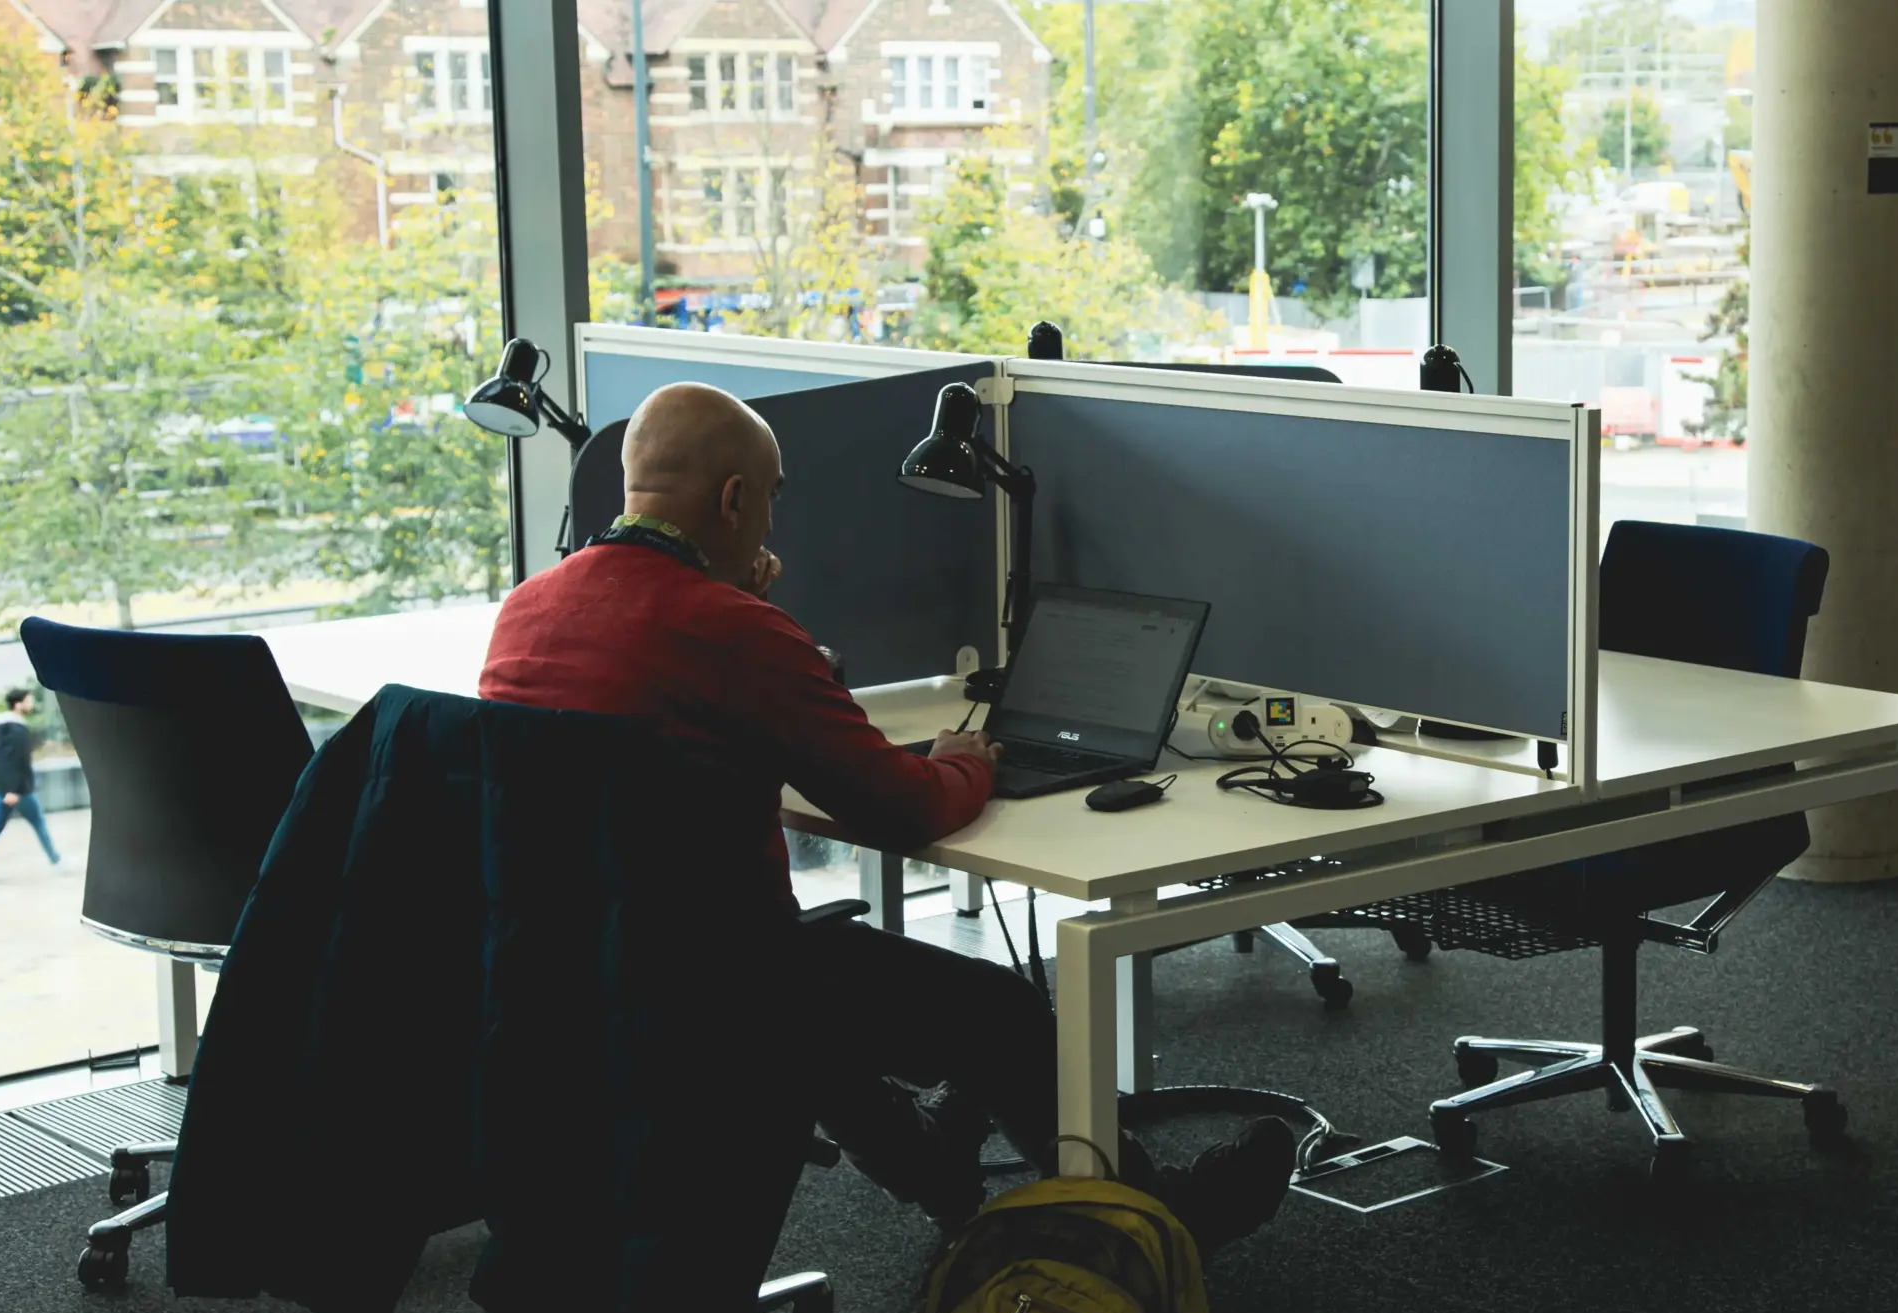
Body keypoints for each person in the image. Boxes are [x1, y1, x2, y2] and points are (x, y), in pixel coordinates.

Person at [478, 382, 1293, 1251]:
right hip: (717, 982)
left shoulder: (528, 609)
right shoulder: (727, 626)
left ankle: (931, 1159)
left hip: (561, 974)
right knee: (994, 1008)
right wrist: (963, 760)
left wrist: (758, 635)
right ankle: (1155, 1219)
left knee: (816, 974)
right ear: (735, 500)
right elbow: (904, 811)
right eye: (773, 498)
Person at [0, 687, 61, 883]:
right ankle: (56, 861)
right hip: (18, 790)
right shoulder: (16, 729)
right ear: (18, 704)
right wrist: (13, 790)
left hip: (8, 789)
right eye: (28, 700)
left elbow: (1, 760)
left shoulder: (6, 727)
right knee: (38, 823)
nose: (31, 703)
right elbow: (13, 761)